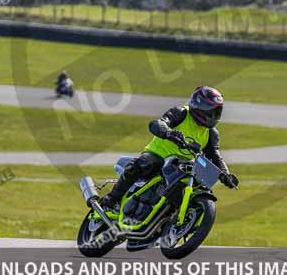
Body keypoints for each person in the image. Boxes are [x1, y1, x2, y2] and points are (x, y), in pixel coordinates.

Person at [101, 86, 239, 210]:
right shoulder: (181, 113)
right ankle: (112, 199)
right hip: (159, 156)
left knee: (197, 185)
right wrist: (168, 132)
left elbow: (215, 156)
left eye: (217, 111)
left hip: (181, 166)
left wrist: (225, 175)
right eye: (211, 111)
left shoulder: (211, 133)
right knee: (143, 164)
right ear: (199, 106)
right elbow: (159, 123)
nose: (213, 116)